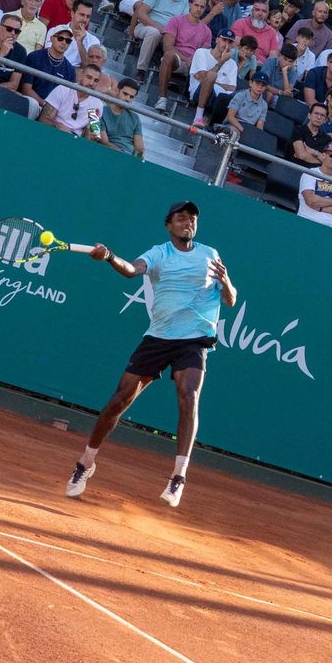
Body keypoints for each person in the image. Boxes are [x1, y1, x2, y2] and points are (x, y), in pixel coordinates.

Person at [66, 201, 239, 509]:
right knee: (119, 401)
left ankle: (178, 476)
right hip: (159, 337)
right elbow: (132, 270)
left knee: (189, 396)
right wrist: (109, 257)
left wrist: (226, 281)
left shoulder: (210, 254)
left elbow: (229, 300)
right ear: (168, 225)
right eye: (181, 218)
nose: (188, 222)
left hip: (195, 340)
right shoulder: (160, 253)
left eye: (192, 218)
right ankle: (85, 462)